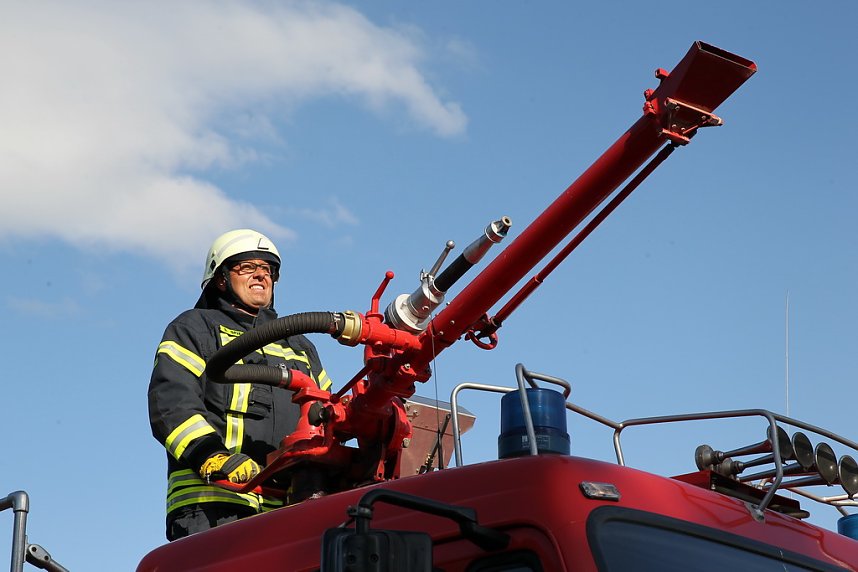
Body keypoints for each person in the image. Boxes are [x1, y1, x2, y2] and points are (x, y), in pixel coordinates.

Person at [148, 229, 332, 541]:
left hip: (289, 509)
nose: (261, 275)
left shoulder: (299, 346)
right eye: (247, 267)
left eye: (268, 269)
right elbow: (171, 402)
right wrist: (211, 454)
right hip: (213, 504)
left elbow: (329, 412)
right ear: (220, 279)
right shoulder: (194, 328)